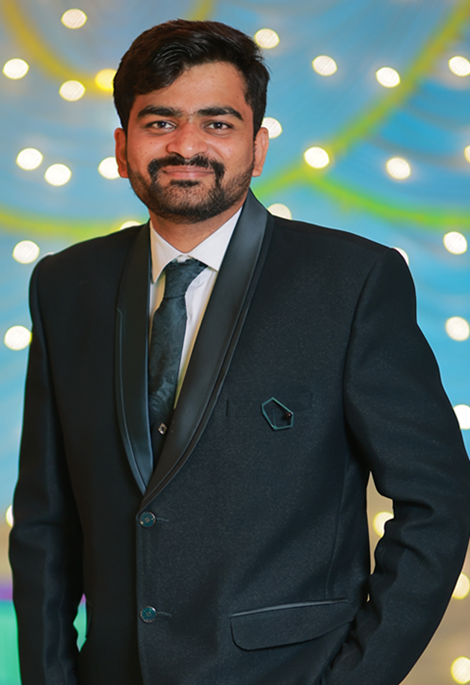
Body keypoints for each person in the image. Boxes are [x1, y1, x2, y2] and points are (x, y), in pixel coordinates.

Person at [9, 18, 470, 685]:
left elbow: (438, 503)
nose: (186, 145)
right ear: (122, 146)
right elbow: (44, 522)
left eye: (217, 123)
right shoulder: (65, 283)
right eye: (160, 122)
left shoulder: (352, 281)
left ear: (258, 147)